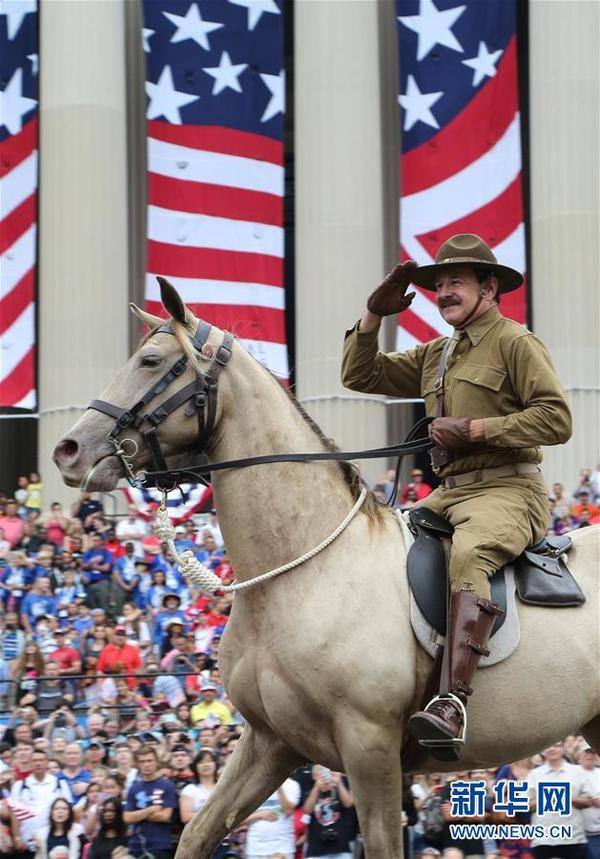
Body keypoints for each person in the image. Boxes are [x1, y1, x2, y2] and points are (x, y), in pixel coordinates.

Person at [341, 233, 572, 752]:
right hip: (448, 494)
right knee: (382, 542)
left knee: (469, 556)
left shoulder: (516, 342)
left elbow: (557, 419)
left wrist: (473, 432)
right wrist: (373, 316)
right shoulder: (437, 354)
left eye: (456, 283)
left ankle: (453, 702)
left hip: (509, 491)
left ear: (489, 288)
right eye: (439, 284)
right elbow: (360, 375)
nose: (444, 292)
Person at [123, 744, 177, 859]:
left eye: (149, 760)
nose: (146, 764)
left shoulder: (167, 785)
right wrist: (150, 810)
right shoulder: (134, 787)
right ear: (138, 764)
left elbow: (165, 816)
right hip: (135, 845)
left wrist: (138, 814)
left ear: (157, 762)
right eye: (142, 762)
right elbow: (127, 818)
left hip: (160, 845)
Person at [303, 765, 356, 858]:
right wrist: (316, 787)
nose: (325, 775)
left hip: (340, 846)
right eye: (322, 773)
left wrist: (339, 783)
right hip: (316, 848)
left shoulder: (340, 787)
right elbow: (307, 810)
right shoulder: (311, 787)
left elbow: (348, 804)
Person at [244, 776, 301, 859]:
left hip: (283, 848)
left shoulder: (292, 785)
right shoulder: (251, 786)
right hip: (256, 849)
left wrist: (279, 787)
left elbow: (288, 810)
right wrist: (260, 815)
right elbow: (239, 820)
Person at [578, 746, 600, 859]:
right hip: (580, 832)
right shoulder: (573, 772)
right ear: (579, 756)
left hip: (597, 832)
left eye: (592, 753)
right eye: (586, 753)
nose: (590, 756)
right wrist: (589, 800)